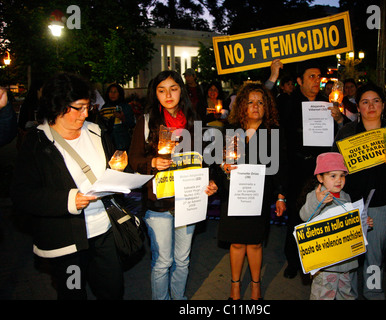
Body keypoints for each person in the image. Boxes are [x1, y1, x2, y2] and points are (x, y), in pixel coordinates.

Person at [10, 73, 124, 300]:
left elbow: (113, 165)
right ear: (58, 105)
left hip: (103, 232)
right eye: (79, 107)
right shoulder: (37, 142)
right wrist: (69, 200)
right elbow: (23, 194)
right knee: (73, 293)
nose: (86, 113)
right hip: (67, 244)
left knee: (112, 291)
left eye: (88, 106)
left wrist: (120, 170)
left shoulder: (96, 132)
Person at [128, 70, 218, 300]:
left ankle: (179, 299)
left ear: (182, 90)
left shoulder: (194, 121)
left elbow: (205, 159)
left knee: (182, 260)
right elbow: (133, 161)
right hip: (158, 205)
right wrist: (152, 162)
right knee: (162, 261)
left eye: (173, 88)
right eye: (161, 90)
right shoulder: (146, 122)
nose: (168, 95)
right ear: (154, 93)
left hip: (188, 202)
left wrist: (211, 182)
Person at [332, 83, 386, 299]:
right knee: (349, 257)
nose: (371, 106)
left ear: (383, 105)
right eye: (365, 102)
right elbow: (333, 167)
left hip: (381, 203)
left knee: (375, 258)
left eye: (376, 101)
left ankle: (373, 293)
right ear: (358, 107)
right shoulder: (346, 132)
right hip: (351, 203)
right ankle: (348, 295)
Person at [266, 59, 348, 279]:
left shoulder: (328, 103)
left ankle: (315, 262)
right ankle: (293, 260)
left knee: (319, 215)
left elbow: (347, 130)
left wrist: (339, 118)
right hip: (295, 168)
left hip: (321, 170)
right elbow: (263, 101)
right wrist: (273, 76)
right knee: (296, 215)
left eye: (319, 77)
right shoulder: (287, 102)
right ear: (300, 81)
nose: (317, 81)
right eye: (311, 76)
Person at [214, 82, 287, 300]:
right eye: (250, 102)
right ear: (242, 106)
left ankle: (256, 286)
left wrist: (281, 196)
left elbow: (281, 167)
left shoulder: (272, 133)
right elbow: (218, 161)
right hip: (233, 195)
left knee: (255, 244)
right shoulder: (229, 131)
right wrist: (221, 165)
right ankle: (235, 287)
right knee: (236, 243)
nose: (255, 106)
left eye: (260, 102)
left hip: (259, 196)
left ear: (267, 107)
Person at [299, 152, 373, 300]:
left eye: (342, 175)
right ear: (320, 178)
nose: (338, 180)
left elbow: (349, 225)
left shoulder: (346, 196)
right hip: (326, 265)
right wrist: (318, 201)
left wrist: (363, 223)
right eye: (333, 176)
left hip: (345, 262)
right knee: (323, 295)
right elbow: (304, 215)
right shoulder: (316, 196)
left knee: (346, 294)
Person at [98, 84, 135, 151]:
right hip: (108, 141)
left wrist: (123, 118)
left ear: (119, 94)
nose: (113, 94)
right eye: (111, 92)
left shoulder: (126, 107)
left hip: (123, 142)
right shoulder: (104, 107)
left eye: (115, 92)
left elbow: (132, 124)